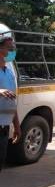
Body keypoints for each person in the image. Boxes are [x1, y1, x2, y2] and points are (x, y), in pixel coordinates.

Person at [0, 29, 20, 171]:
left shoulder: (9, 71)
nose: (12, 51)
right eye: (9, 48)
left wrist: (17, 126)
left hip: (4, 127)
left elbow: (12, 102)